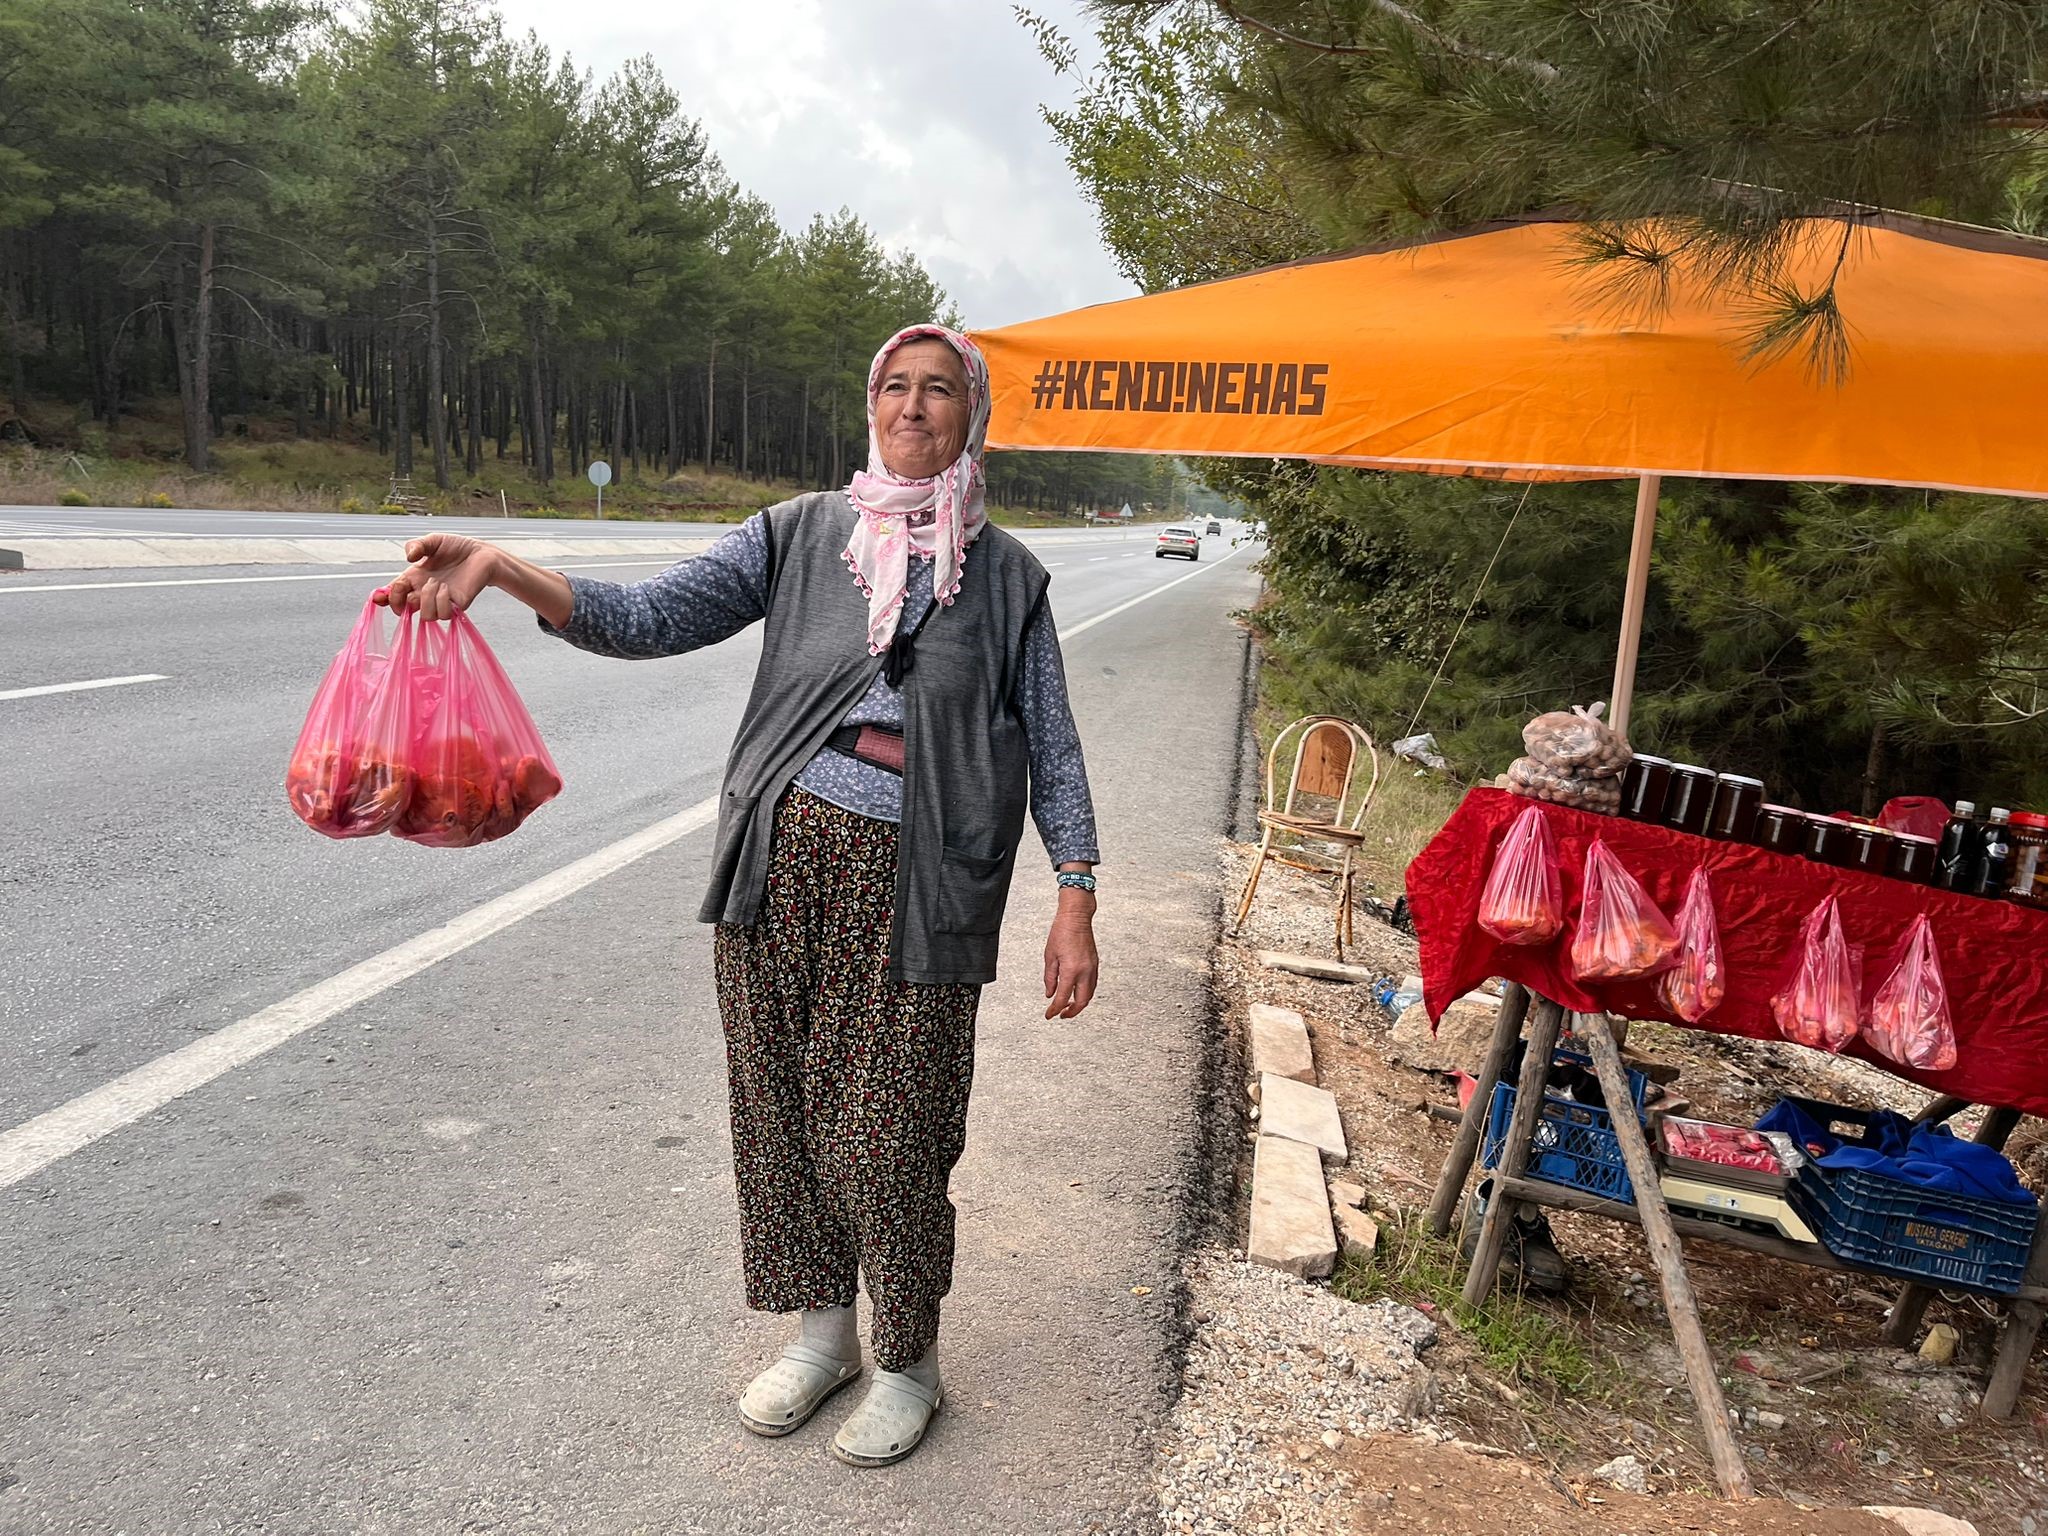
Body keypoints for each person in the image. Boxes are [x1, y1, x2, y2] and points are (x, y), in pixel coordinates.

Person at [378, 324, 1101, 1468]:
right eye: (894, 388)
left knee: (892, 1136)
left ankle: (908, 1360)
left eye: (940, 392)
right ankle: (824, 1337)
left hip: (926, 888)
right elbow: (653, 617)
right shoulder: (799, 534)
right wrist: (503, 568)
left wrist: (1073, 893)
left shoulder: (1007, 577)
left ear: (975, 416)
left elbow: (1051, 746)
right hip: (777, 869)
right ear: (869, 405)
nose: (913, 409)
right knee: (780, 1116)